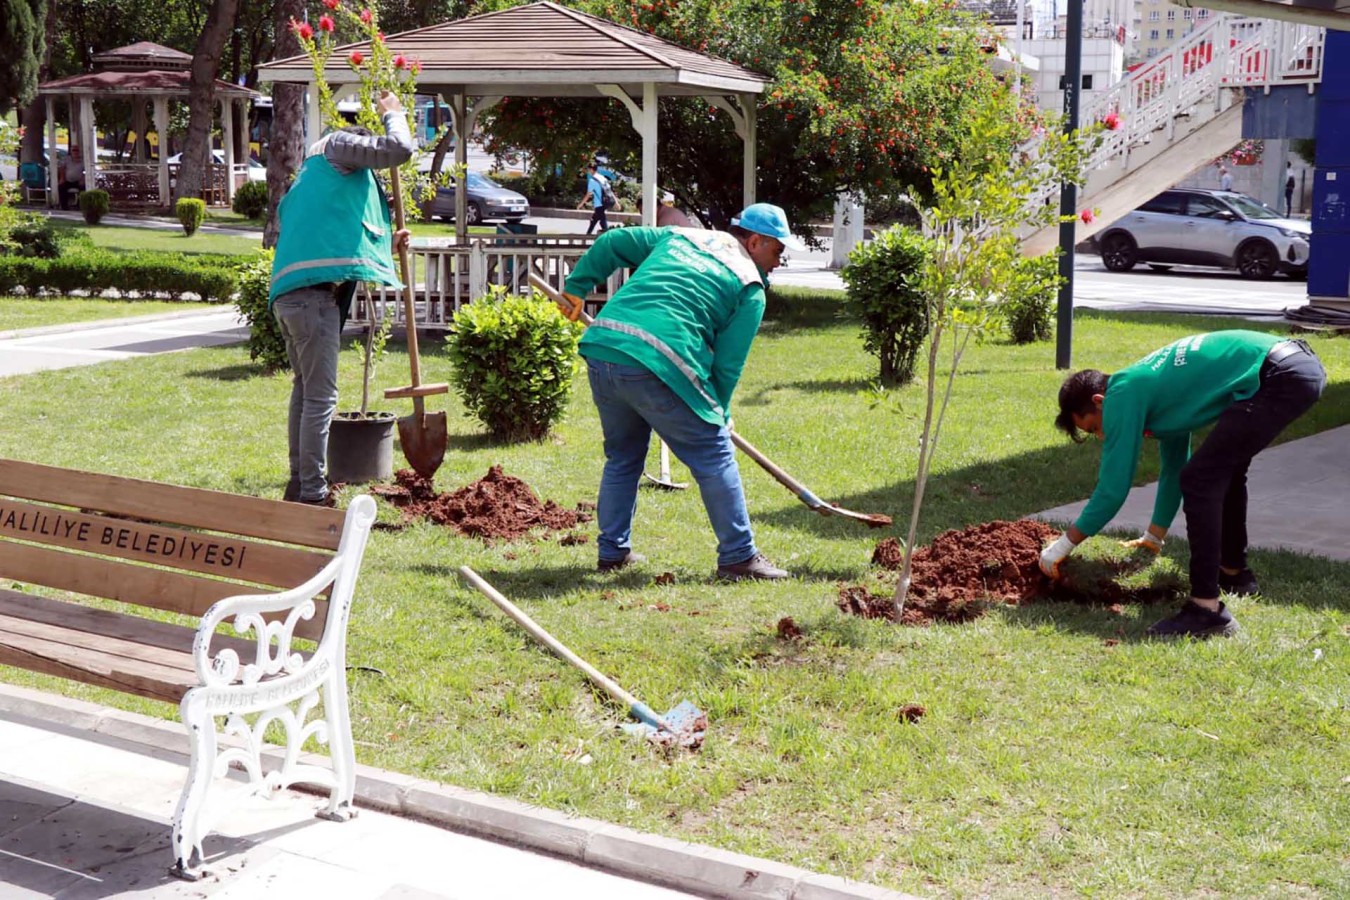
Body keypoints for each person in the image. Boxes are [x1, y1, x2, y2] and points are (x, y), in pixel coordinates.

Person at [562, 203, 805, 580]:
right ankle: (739, 556)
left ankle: (612, 552)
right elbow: (726, 366)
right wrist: (718, 415)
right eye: (777, 251)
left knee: (623, 456)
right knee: (714, 454)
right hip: (657, 359)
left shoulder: (682, 237)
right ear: (754, 241)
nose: (778, 262)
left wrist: (577, 287)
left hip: (605, 347)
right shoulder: (749, 286)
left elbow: (613, 241)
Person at [1042, 331, 1326, 639]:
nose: (1103, 436)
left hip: (1280, 374)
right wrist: (1153, 537)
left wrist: (1060, 548)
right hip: (1293, 367)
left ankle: (1206, 610)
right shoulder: (1151, 390)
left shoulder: (1123, 392)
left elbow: (1112, 490)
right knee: (1219, 470)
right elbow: (1174, 467)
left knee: (1201, 478)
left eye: (1096, 427)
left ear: (1100, 401)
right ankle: (1235, 574)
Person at [269, 91, 415, 505]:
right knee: (320, 398)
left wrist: (385, 246)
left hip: (291, 296)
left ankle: (299, 484)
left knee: (306, 391)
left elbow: (334, 236)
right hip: (312, 300)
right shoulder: (338, 146)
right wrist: (394, 113)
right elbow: (398, 149)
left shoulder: (313, 177)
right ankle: (313, 494)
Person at [578, 162, 611, 235]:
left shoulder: (592, 180)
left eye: (589, 169)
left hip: (598, 204)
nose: (588, 171)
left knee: (603, 223)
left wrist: (581, 204)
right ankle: (587, 236)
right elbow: (609, 190)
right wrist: (616, 202)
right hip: (605, 202)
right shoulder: (602, 178)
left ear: (591, 170)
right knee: (593, 221)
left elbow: (588, 194)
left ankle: (609, 238)